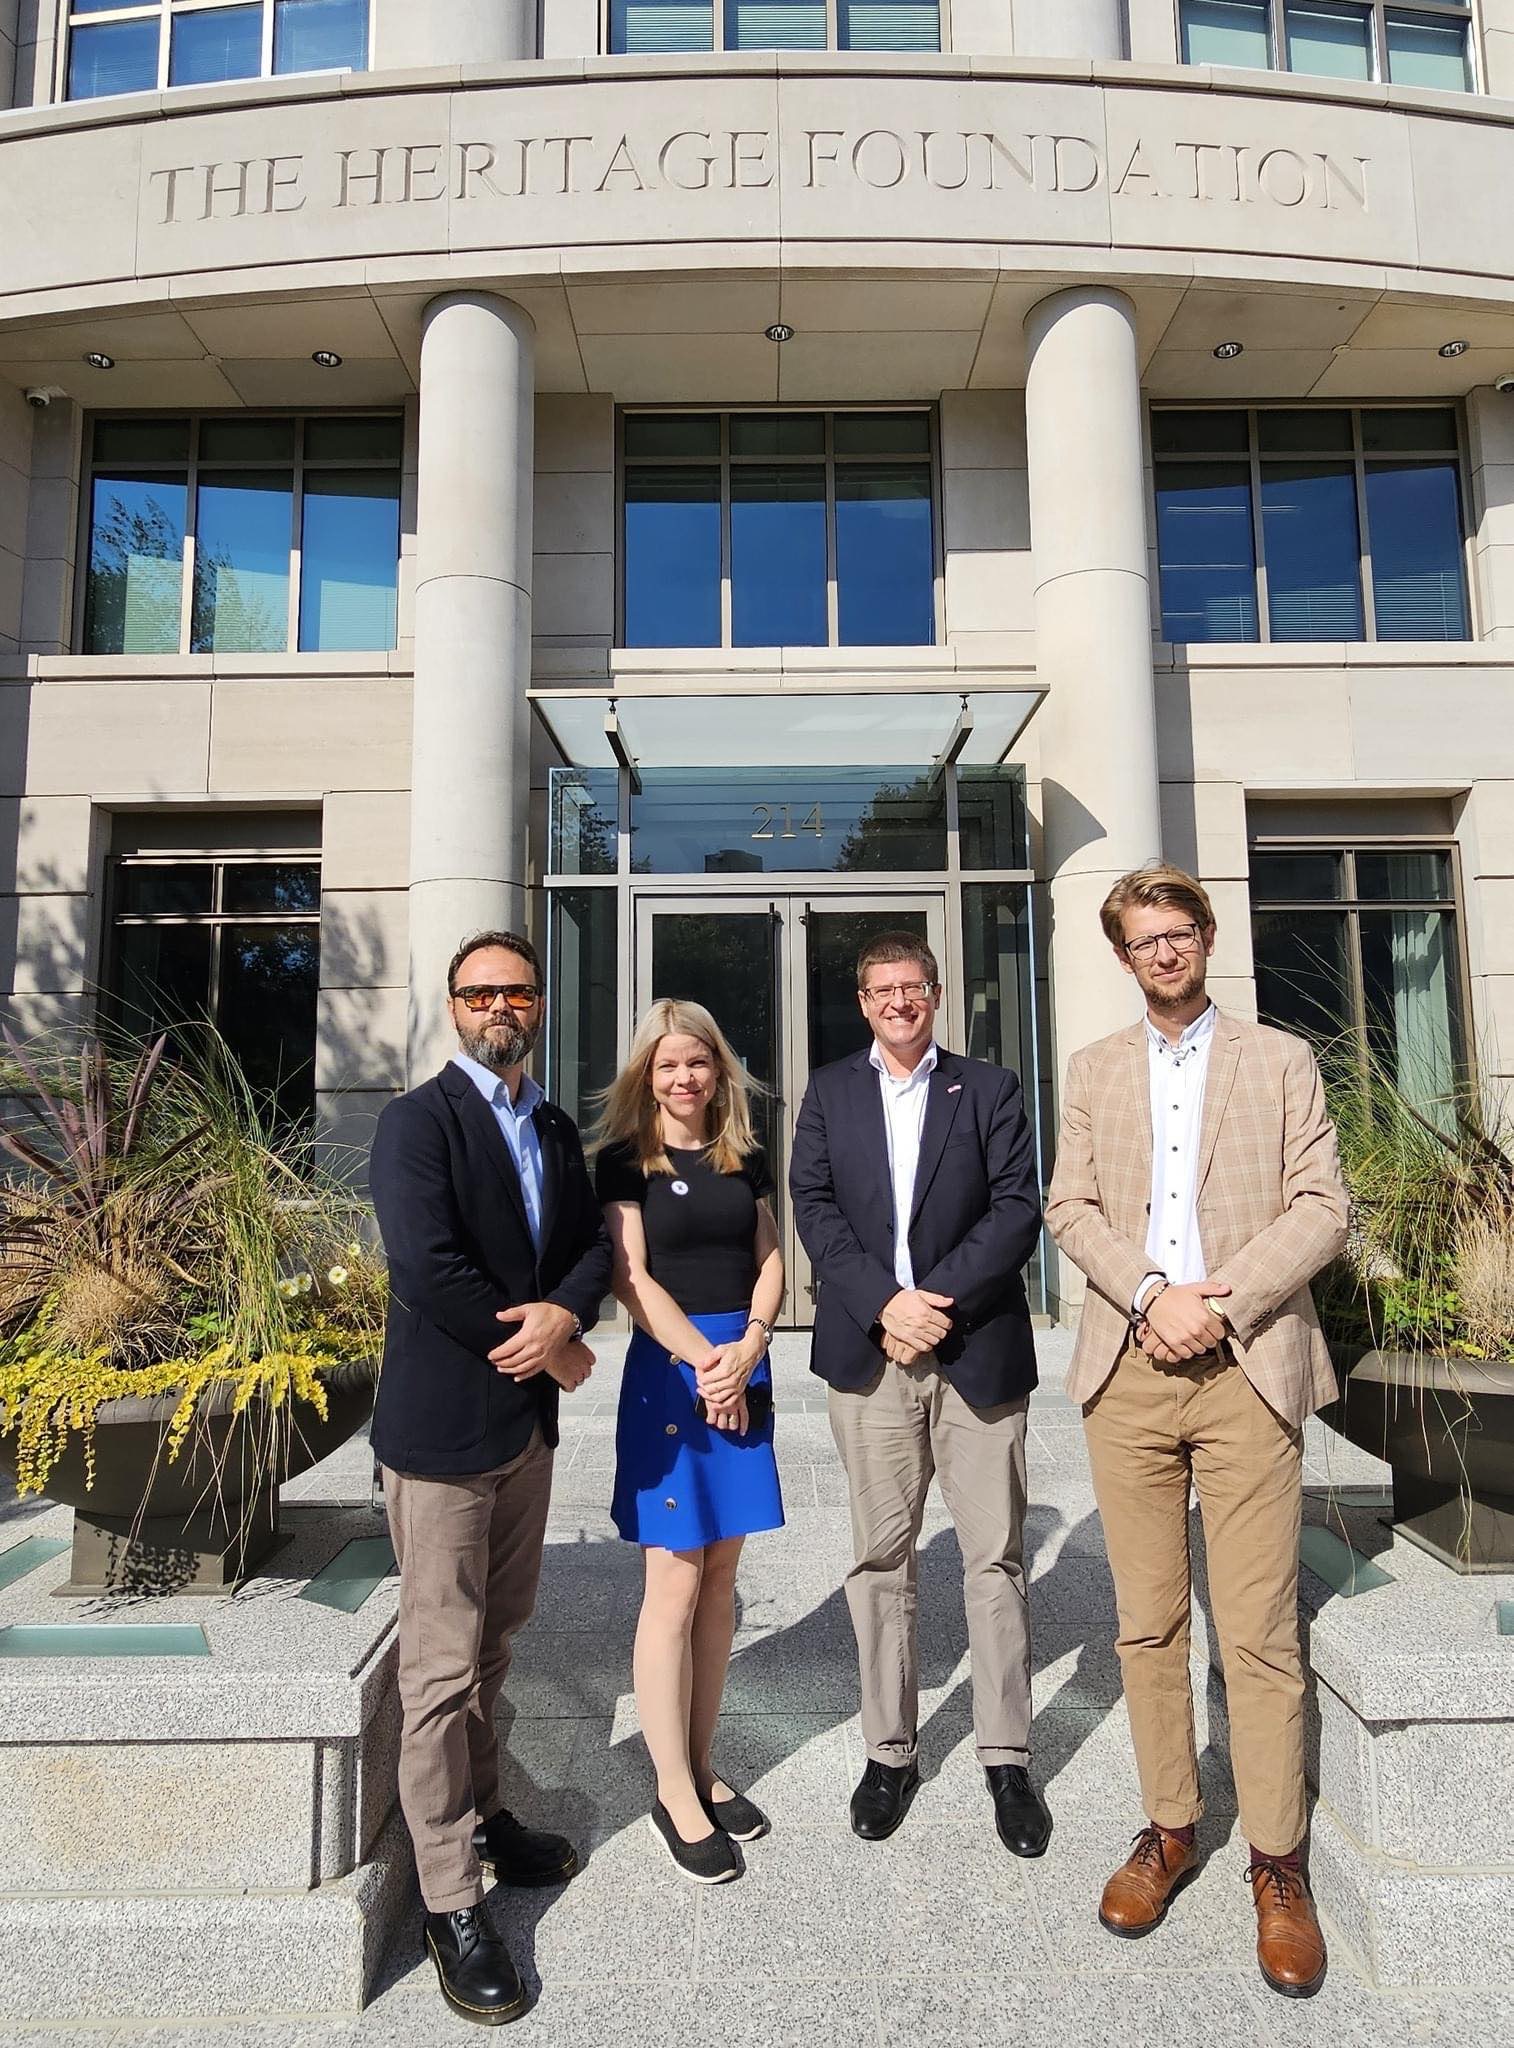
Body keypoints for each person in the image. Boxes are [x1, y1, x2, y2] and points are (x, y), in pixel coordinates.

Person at [1045, 863, 1349, 2001]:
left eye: (1178, 932)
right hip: (1127, 1369)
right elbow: (1069, 1205)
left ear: (1207, 936)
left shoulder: (1281, 1059)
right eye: (1143, 939)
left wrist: (1220, 1303)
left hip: (1245, 1367)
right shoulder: (1093, 1068)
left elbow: (1322, 1206)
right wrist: (1147, 1295)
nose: (1163, 952)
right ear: (1122, 955)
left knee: (1259, 1630)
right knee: (1148, 1623)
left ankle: (1277, 1862)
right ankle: (1169, 1826)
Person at [370, 929, 612, 2027]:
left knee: (496, 1640)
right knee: (436, 1668)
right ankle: (449, 1898)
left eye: (515, 992)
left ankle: (485, 1809)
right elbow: (427, 1266)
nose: (498, 1008)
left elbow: (589, 1245)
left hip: (523, 1435)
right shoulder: (416, 1121)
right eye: (479, 994)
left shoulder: (551, 1123)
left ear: (539, 1005)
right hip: (441, 1437)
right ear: (453, 1005)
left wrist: (568, 1313)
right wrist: (544, 1346)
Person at [789, 933, 1049, 1857]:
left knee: (995, 1561)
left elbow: (1017, 1208)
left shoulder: (990, 1088)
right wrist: (885, 1305)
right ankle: (889, 1753)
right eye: (881, 989)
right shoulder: (830, 1092)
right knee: (880, 1559)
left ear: (936, 994)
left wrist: (932, 1305)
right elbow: (813, 1208)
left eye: (913, 987)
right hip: (871, 1357)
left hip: (974, 1349)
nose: (898, 1001)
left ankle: (1006, 1756)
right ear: (863, 1001)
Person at [595, 998, 785, 1886]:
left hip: (740, 1365)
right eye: (668, 1064)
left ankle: (703, 1766)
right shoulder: (623, 1160)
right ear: (648, 1074)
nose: (684, 1077)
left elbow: (770, 1259)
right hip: (675, 1374)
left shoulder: (745, 1153)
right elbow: (631, 1278)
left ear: (718, 1069)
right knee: (672, 1583)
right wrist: (710, 1364)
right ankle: (672, 1789)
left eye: (697, 1062)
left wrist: (751, 1346)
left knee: (719, 1581)